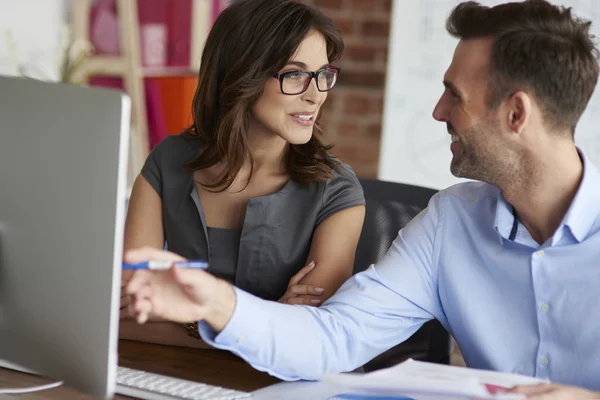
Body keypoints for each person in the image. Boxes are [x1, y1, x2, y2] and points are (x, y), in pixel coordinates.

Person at [125, 0, 600, 394]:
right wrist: (214, 302)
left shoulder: (337, 188)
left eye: (455, 95)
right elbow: (334, 337)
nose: (438, 112)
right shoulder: (450, 224)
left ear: (516, 113)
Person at [119, 0, 366, 347]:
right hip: (166, 374)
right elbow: (129, 317)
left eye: (323, 74)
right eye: (294, 74)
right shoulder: (168, 161)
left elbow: (311, 336)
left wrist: (186, 317)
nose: (316, 95)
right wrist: (266, 321)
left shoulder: (337, 191)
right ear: (241, 74)